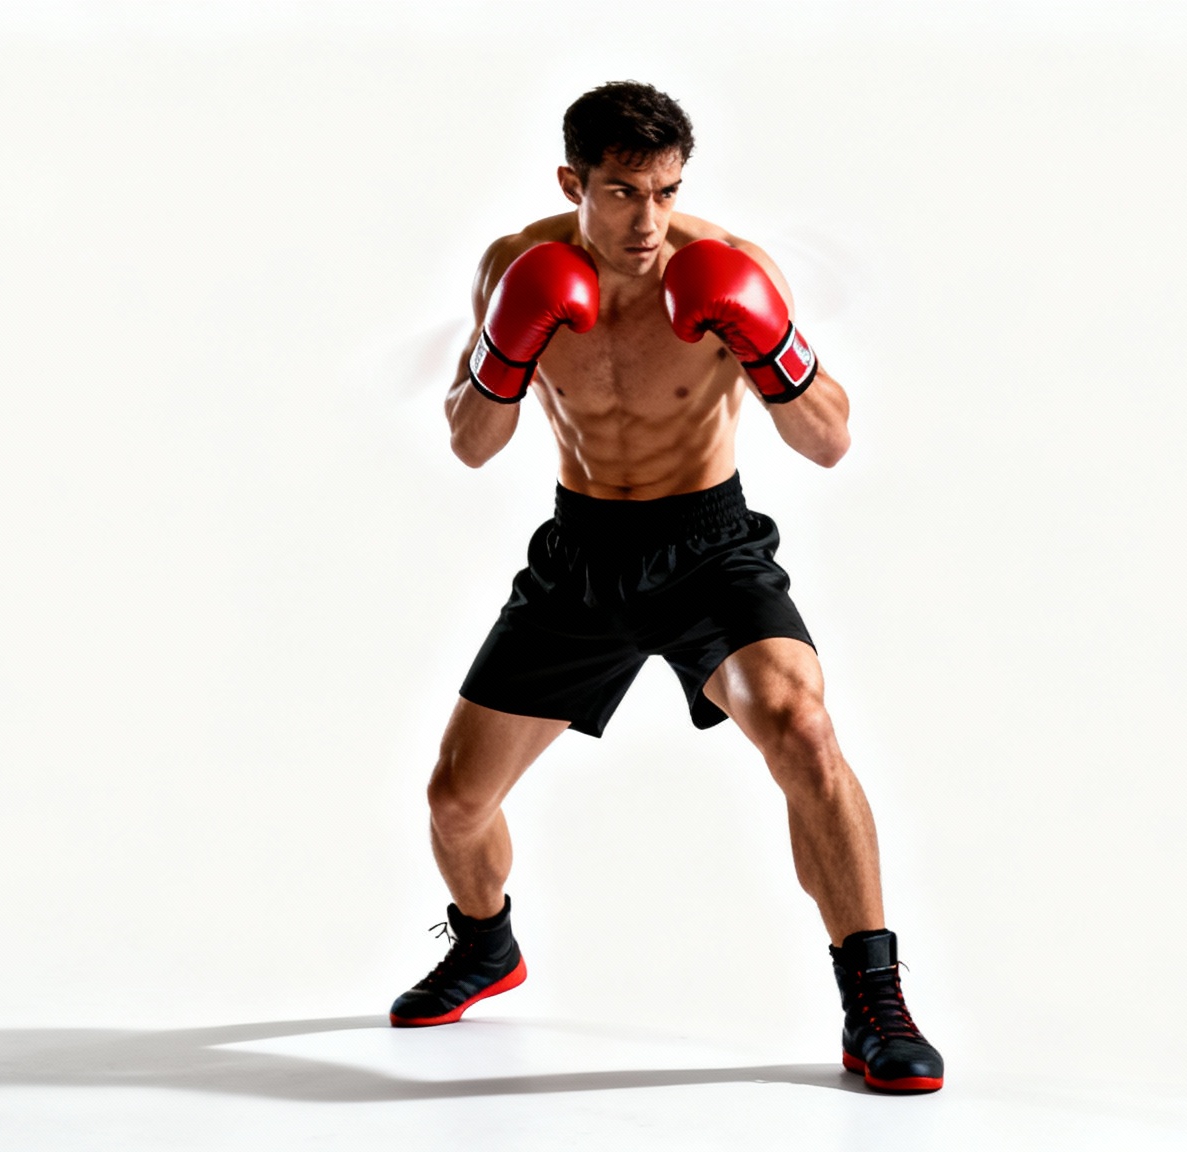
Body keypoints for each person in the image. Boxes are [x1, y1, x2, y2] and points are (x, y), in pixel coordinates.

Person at [388, 81, 943, 1095]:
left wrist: (766, 342)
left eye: (664, 190)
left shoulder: (725, 267)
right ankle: (483, 944)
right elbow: (471, 445)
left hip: (707, 549)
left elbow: (829, 441)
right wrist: (508, 349)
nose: (646, 221)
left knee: (800, 728)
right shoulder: (514, 268)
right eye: (619, 192)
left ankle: (874, 1003)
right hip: (580, 553)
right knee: (454, 802)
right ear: (572, 182)